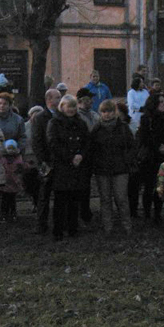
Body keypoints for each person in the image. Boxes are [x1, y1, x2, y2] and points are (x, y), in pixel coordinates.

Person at [47, 95, 90, 240]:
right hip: (61, 166)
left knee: (74, 200)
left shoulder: (81, 123)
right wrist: (70, 157)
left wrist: (81, 155)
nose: (71, 109)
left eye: (73, 106)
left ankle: (73, 228)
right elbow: (53, 144)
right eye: (68, 106)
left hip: (77, 166)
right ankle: (58, 230)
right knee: (60, 201)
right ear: (62, 107)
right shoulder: (54, 123)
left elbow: (86, 142)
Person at [89, 99, 135, 234]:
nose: (107, 114)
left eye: (109, 111)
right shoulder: (96, 129)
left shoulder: (123, 128)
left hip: (120, 168)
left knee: (121, 198)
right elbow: (91, 149)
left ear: (114, 112)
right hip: (102, 169)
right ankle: (107, 226)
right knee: (105, 199)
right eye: (104, 111)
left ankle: (127, 226)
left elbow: (132, 145)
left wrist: (127, 160)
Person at [136, 92, 164, 223]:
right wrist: (158, 146)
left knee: (161, 186)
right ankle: (147, 212)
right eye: (161, 102)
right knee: (149, 186)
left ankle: (158, 213)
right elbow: (144, 137)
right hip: (150, 156)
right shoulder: (146, 118)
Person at [31, 89, 62, 233]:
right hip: (46, 162)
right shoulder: (40, 118)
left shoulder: (61, 116)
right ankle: (41, 224)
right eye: (57, 97)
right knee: (44, 194)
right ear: (49, 99)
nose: (60, 100)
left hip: (60, 161)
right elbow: (37, 142)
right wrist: (43, 162)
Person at [75, 87, 98, 223]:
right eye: (87, 100)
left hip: (92, 154)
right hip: (83, 155)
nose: (90, 102)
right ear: (80, 101)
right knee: (82, 185)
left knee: (87, 185)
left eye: (91, 99)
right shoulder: (78, 116)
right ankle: (82, 210)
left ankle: (85, 210)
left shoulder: (94, 115)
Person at [22, 106, 43, 212]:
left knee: (40, 183)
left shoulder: (43, 126)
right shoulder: (25, 127)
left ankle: (39, 203)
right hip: (28, 157)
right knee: (30, 182)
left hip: (40, 157)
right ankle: (34, 201)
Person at [0, 139, 26, 222]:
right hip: (5, 182)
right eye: (9, 148)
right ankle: (4, 214)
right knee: (4, 200)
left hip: (14, 182)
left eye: (12, 148)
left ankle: (13, 213)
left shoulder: (18, 159)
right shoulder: (2, 159)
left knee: (12, 200)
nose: (11, 151)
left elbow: (21, 169)